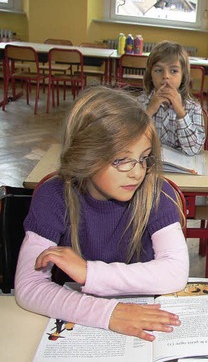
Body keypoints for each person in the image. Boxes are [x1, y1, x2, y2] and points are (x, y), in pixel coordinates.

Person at [14, 87, 190, 341]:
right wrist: (109, 313)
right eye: (122, 160)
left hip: (145, 314)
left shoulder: (156, 192)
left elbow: (175, 272)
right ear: (85, 156)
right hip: (83, 321)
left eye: (144, 158)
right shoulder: (53, 196)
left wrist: (89, 272)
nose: (137, 172)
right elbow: (29, 286)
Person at [137, 40, 206, 156]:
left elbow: (193, 149)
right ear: (150, 75)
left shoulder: (193, 108)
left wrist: (180, 112)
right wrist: (150, 110)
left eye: (173, 71)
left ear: (183, 76)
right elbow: (129, 141)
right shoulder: (139, 103)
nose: (165, 77)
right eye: (158, 70)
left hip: (180, 168)